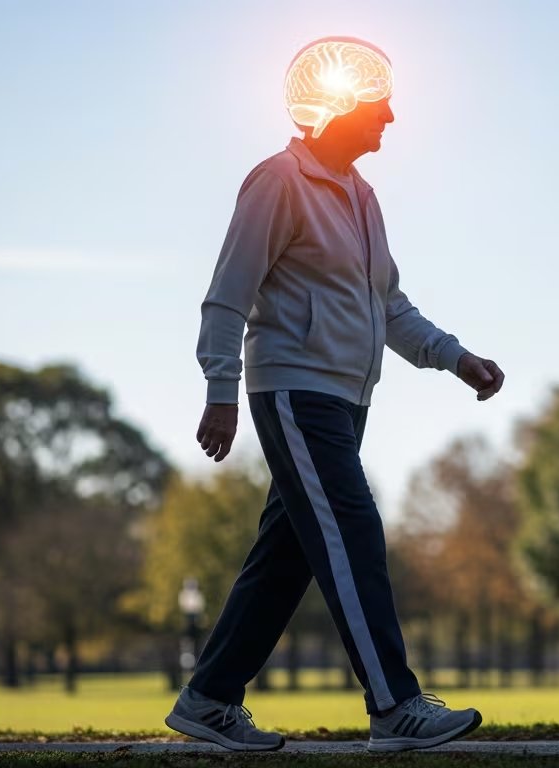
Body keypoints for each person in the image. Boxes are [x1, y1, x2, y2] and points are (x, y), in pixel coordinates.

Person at [163, 36, 504, 754]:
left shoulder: (361, 196)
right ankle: (394, 706)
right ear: (341, 107)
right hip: (293, 389)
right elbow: (228, 296)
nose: (392, 121)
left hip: (346, 402)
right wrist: (221, 389)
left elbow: (391, 307)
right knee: (353, 530)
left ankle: (210, 697)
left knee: (285, 560)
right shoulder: (277, 182)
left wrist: (456, 358)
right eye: (381, 107)